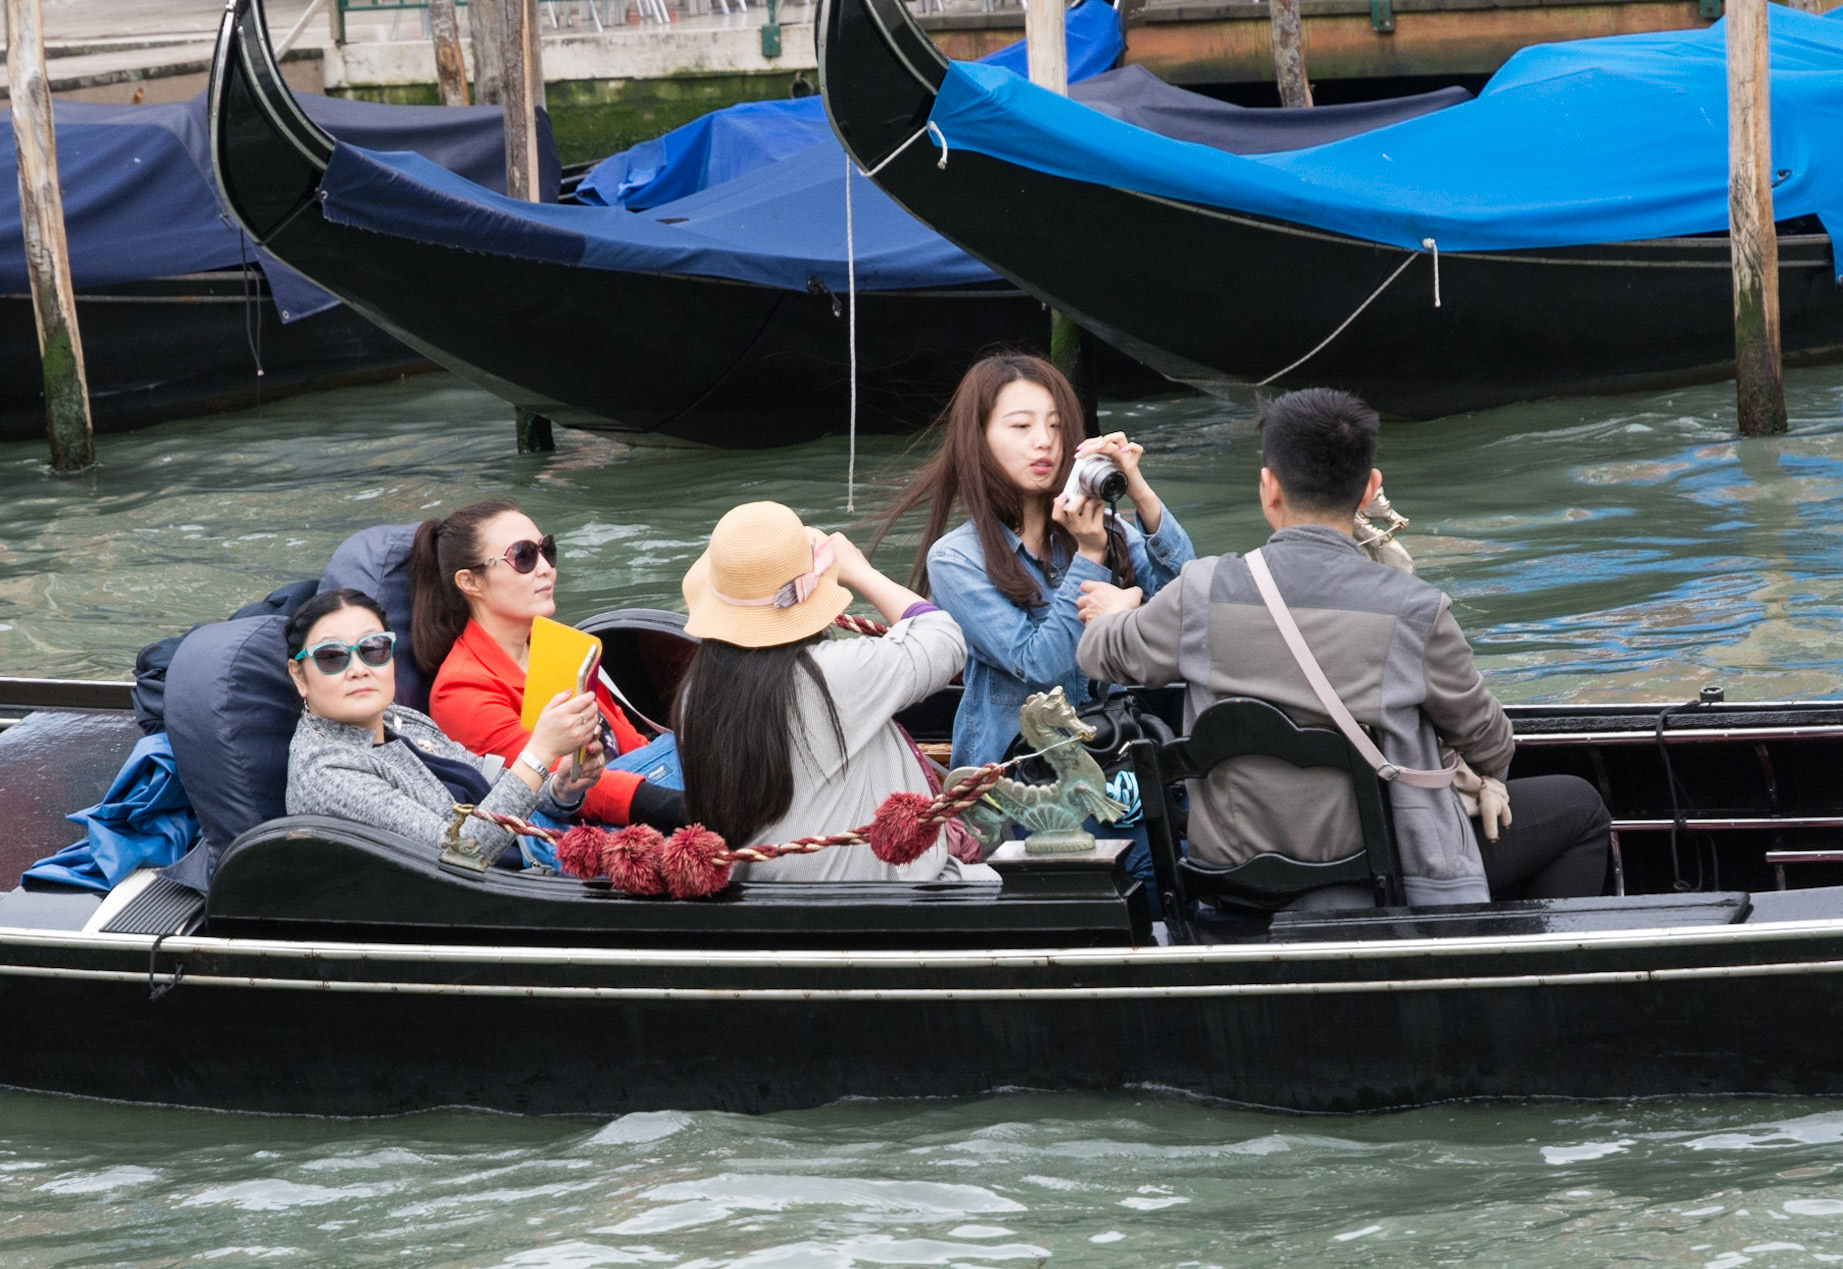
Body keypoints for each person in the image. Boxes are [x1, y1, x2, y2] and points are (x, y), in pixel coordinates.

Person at [1076, 388, 1609, 907]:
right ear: (1368, 487)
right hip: (1388, 879)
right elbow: (1490, 744)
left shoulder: (1200, 591)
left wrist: (1116, 611)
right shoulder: (1415, 610)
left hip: (1235, 884)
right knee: (1581, 807)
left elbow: (1099, 654)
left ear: (1268, 487)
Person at [871, 352, 1195, 770]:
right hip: (1017, 780)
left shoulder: (1103, 526)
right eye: (1021, 426)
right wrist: (1091, 557)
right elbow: (1038, 666)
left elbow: (1188, 599)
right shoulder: (956, 558)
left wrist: (1140, 493)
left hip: (1115, 758)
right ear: (979, 437)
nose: (1044, 441)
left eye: (1056, 425)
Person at [675, 501, 985, 882]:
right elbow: (945, 639)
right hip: (878, 901)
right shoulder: (838, 671)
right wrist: (861, 572)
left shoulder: (695, 692)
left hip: (760, 893)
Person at [414, 498, 687, 832]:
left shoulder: (561, 647)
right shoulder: (460, 692)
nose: (546, 568)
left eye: (547, 550)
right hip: (594, 829)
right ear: (471, 582)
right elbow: (550, 783)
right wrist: (682, 808)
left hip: (644, 801)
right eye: (524, 556)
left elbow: (632, 746)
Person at [284, 588, 605, 866]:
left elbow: (496, 783)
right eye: (331, 656)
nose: (358, 669)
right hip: (509, 884)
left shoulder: (400, 719)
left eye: (373, 649)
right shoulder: (327, 773)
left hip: (538, 839)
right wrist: (541, 751)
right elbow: (461, 855)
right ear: (300, 675)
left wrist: (561, 787)